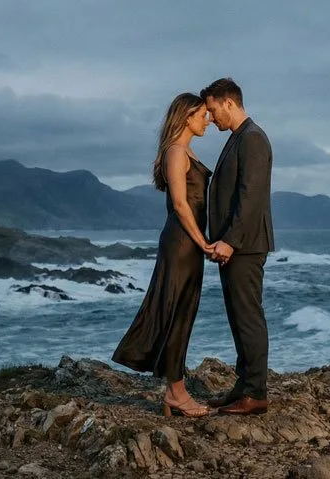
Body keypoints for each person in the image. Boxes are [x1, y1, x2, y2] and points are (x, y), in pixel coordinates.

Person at [112, 92, 215, 418]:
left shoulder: (187, 150)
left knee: (183, 313)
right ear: (186, 116)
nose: (207, 119)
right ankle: (176, 394)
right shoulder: (175, 152)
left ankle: (175, 391)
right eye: (202, 115)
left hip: (188, 244)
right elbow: (181, 206)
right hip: (182, 243)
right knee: (175, 313)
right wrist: (203, 241)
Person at [201, 77, 275, 416]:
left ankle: (256, 392)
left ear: (230, 103)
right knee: (237, 317)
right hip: (235, 246)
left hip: (244, 246)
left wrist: (230, 240)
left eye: (213, 110)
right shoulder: (238, 138)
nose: (211, 117)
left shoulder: (253, 138)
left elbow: (250, 195)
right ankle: (243, 385)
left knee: (248, 317)